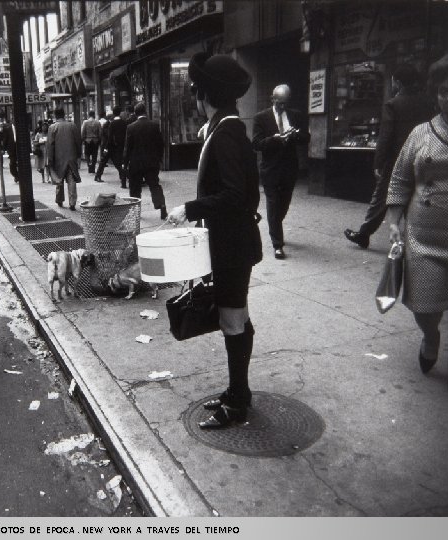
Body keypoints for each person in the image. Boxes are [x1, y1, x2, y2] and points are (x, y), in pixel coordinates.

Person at [166, 53, 262, 428]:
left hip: (232, 247)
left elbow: (237, 196)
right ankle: (239, 391)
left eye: (193, 88)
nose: (192, 95)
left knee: (232, 321)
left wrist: (188, 208)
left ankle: (237, 402)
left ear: (204, 92)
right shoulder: (223, 129)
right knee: (235, 316)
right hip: (229, 243)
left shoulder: (227, 133)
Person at [385, 50, 448, 398]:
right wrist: (393, 221)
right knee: (425, 307)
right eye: (443, 90)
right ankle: (431, 336)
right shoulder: (421, 133)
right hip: (423, 237)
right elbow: (400, 179)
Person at [345, 64, 434, 248]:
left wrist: (378, 162)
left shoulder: (392, 104)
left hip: (397, 160)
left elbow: (386, 136)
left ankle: (364, 233)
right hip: (423, 156)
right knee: (417, 195)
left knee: (381, 197)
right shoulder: (427, 102)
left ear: (399, 83)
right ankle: (416, 237)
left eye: (393, 80)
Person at [252, 84, 310, 259]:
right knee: (273, 204)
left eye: (285, 103)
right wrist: (275, 140)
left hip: (289, 168)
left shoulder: (295, 115)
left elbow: (306, 138)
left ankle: (275, 224)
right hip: (270, 169)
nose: (282, 106)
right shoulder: (261, 118)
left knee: (283, 205)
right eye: (279, 103)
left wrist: (296, 135)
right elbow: (256, 144)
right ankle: (278, 244)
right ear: (273, 99)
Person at [123, 101, 167, 220]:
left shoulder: (131, 127)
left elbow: (128, 147)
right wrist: (159, 158)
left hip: (136, 162)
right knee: (154, 185)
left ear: (136, 114)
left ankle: (136, 212)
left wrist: (125, 162)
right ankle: (162, 206)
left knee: (135, 188)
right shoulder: (154, 125)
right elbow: (160, 144)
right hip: (151, 162)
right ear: (145, 112)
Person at [46, 107, 81, 211]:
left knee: (59, 180)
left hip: (58, 159)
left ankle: (60, 200)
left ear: (55, 115)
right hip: (71, 158)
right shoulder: (72, 125)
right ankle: (72, 202)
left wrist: (50, 159)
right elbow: (78, 142)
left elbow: (50, 145)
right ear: (64, 114)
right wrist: (78, 155)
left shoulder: (52, 127)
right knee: (71, 180)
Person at [95, 106, 127, 187]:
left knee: (104, 161)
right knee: (118, 163)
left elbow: (109, 136)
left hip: (110, 146)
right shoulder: (124, 123)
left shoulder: (112, 124)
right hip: (119, 146)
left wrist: (106, 147)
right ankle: (123, 177)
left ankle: (98, 176)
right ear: (120, 113)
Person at [81, 110, 101, 174]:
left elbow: (82, 132)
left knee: (87, 154)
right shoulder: (97, 122)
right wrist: (99, 139)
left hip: (87, 140)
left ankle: (89, 164)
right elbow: (100, 132)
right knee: (94, 155)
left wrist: (83, 139)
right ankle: (93, 167)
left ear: (88, 115)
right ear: (94, 115)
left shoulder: (85, 122)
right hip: (95, 141)